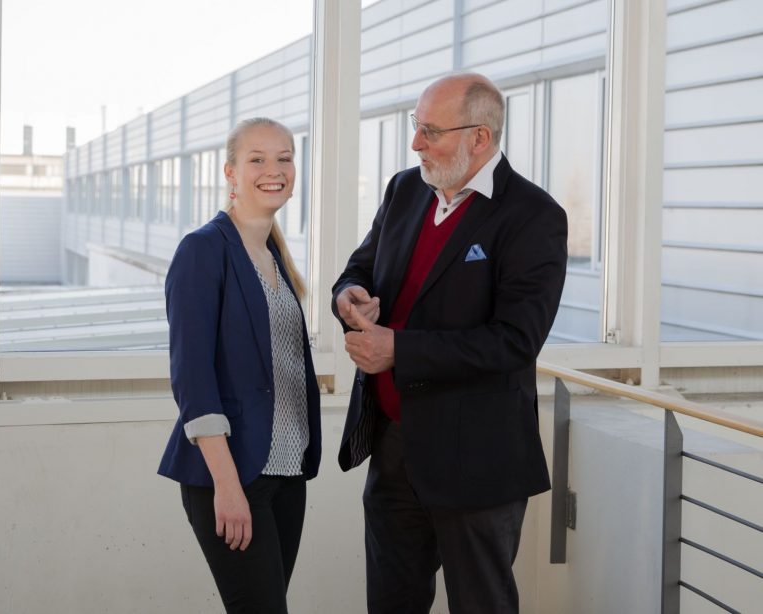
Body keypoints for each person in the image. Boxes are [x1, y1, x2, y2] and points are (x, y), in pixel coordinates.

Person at [332, 73, 568, 613]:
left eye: (430, 131)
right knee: (392, 602)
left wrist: (399, 350)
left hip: (478, 461)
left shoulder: (534, 217)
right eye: (417, 127)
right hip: (394, 447)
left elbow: (514, 342)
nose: (416, 143)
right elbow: (359, 267)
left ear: (479, 138)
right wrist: (350, 296)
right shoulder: (404, 189)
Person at [158, 117, 321, 614]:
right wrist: (227, 488)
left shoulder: (275, 256)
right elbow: (193, 380)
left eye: (285, 158)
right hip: (231, 476)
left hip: (286, 473)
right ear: (230, 172)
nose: (274, 170)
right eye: (257, 159)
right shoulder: (204, 250)